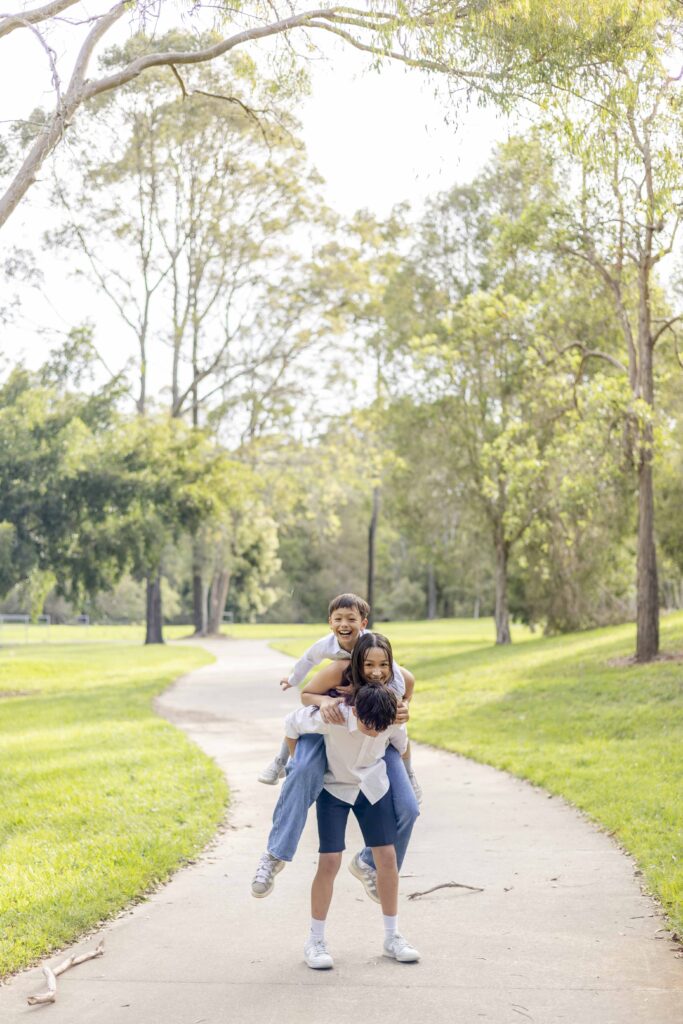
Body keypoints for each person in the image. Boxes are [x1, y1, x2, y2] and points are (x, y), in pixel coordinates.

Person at [251, 632, 420, 902]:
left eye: (383, 665)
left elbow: (405, 712)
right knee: (303, 771)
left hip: (380, 736)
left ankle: (369, 864)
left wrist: (403, 707)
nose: (376, 672)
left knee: (409, 808)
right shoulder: (339, 677)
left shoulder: (400, 677)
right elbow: (303, 701)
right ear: (356, 666)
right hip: (328, 729)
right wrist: (323, 701)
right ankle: (275, 854)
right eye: (368, 665)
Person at [285, 683, 420, 968]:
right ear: (355, 711)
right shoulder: (334, 716)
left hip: (373, 787)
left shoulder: (390, 720)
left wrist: (410, 778)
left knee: (386, 858)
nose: (374, 732)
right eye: (368, 725)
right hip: (334, 790)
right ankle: (316, 940)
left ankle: (392, 936)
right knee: (330, 861)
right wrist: (297, 764)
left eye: (380, 728)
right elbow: (292, 723)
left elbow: (402, 747)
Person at [257, 593, 406, 785]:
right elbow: (308, 659)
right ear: (330, 623)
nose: (344, 624)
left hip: (365, 689)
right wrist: (294, 679)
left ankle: (408, 773)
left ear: (363, 623)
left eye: (351, 619)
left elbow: (397, 676)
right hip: (337, 688)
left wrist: (397, 700)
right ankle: (280, 761)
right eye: (338, 619)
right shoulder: (325, 645)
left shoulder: (371, 644)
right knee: (302, 717)